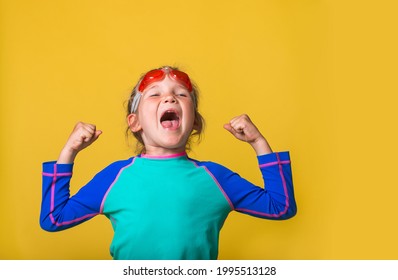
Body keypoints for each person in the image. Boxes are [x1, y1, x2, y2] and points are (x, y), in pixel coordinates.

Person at [40, 66, 297, 260]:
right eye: (154, 94)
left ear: (194, 121)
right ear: (135, 122)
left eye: (181, 94)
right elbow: (53, 218)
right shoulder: (115, 177)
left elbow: (281, 206)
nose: (170, 99)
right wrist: (69, 151)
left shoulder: (215, 178)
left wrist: (258, 142)